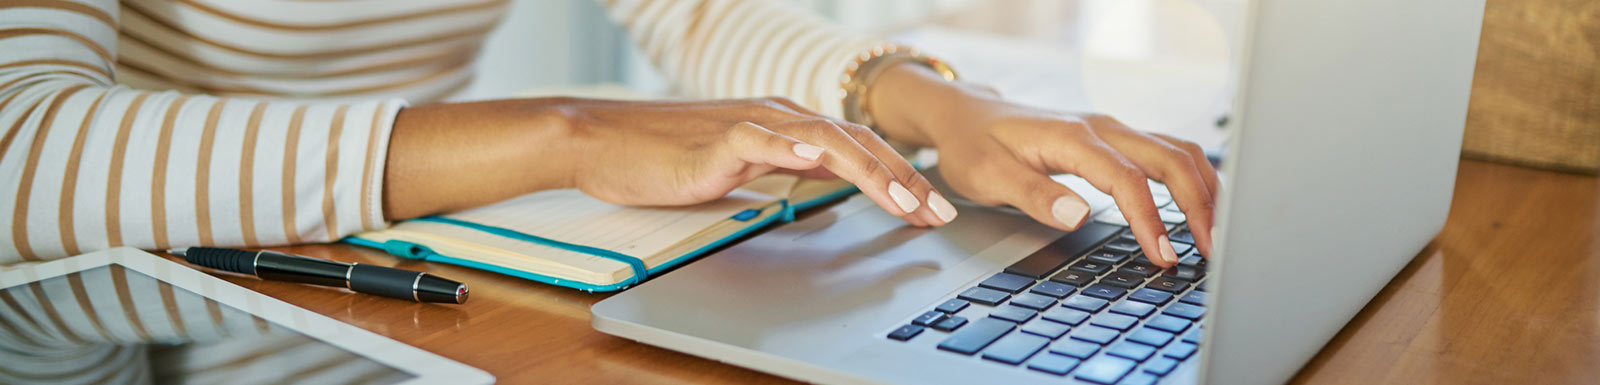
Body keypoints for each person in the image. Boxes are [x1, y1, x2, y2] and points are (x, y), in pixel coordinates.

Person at [0, 0, 1219, 382]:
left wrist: (935, 104)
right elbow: (20, 148)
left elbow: (695, 10)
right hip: (141, 316)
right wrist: (568, 132)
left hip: (434, 313)